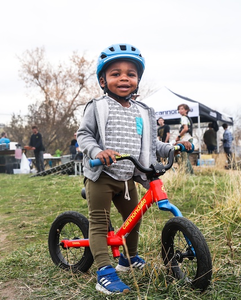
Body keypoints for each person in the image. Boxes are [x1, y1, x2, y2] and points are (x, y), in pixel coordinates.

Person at [77, 43, 192, 295]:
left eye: (130, 74)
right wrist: (98, 152)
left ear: (138, 80)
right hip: (102, 175)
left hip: (129, 177)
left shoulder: (143, 111)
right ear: (103, 80)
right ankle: (104, 273)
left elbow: (151, 144)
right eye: (115, 73)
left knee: (134, 219)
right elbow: (84, 136)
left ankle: (127, 260)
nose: (124, 78)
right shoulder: (97, 106)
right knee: (98, 223)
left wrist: (173, 147)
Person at [175, 104, 194, 175]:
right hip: (189, 139)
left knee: (184, 157)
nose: (180, 110)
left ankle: (187, 174)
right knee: (186, 157)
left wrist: (179, 136)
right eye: (179, 109)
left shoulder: (183, 118)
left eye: (182, 109)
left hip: (186, 140)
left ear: (186, 110)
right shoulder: (187, 118)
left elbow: (185, 128)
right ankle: (191, 174)